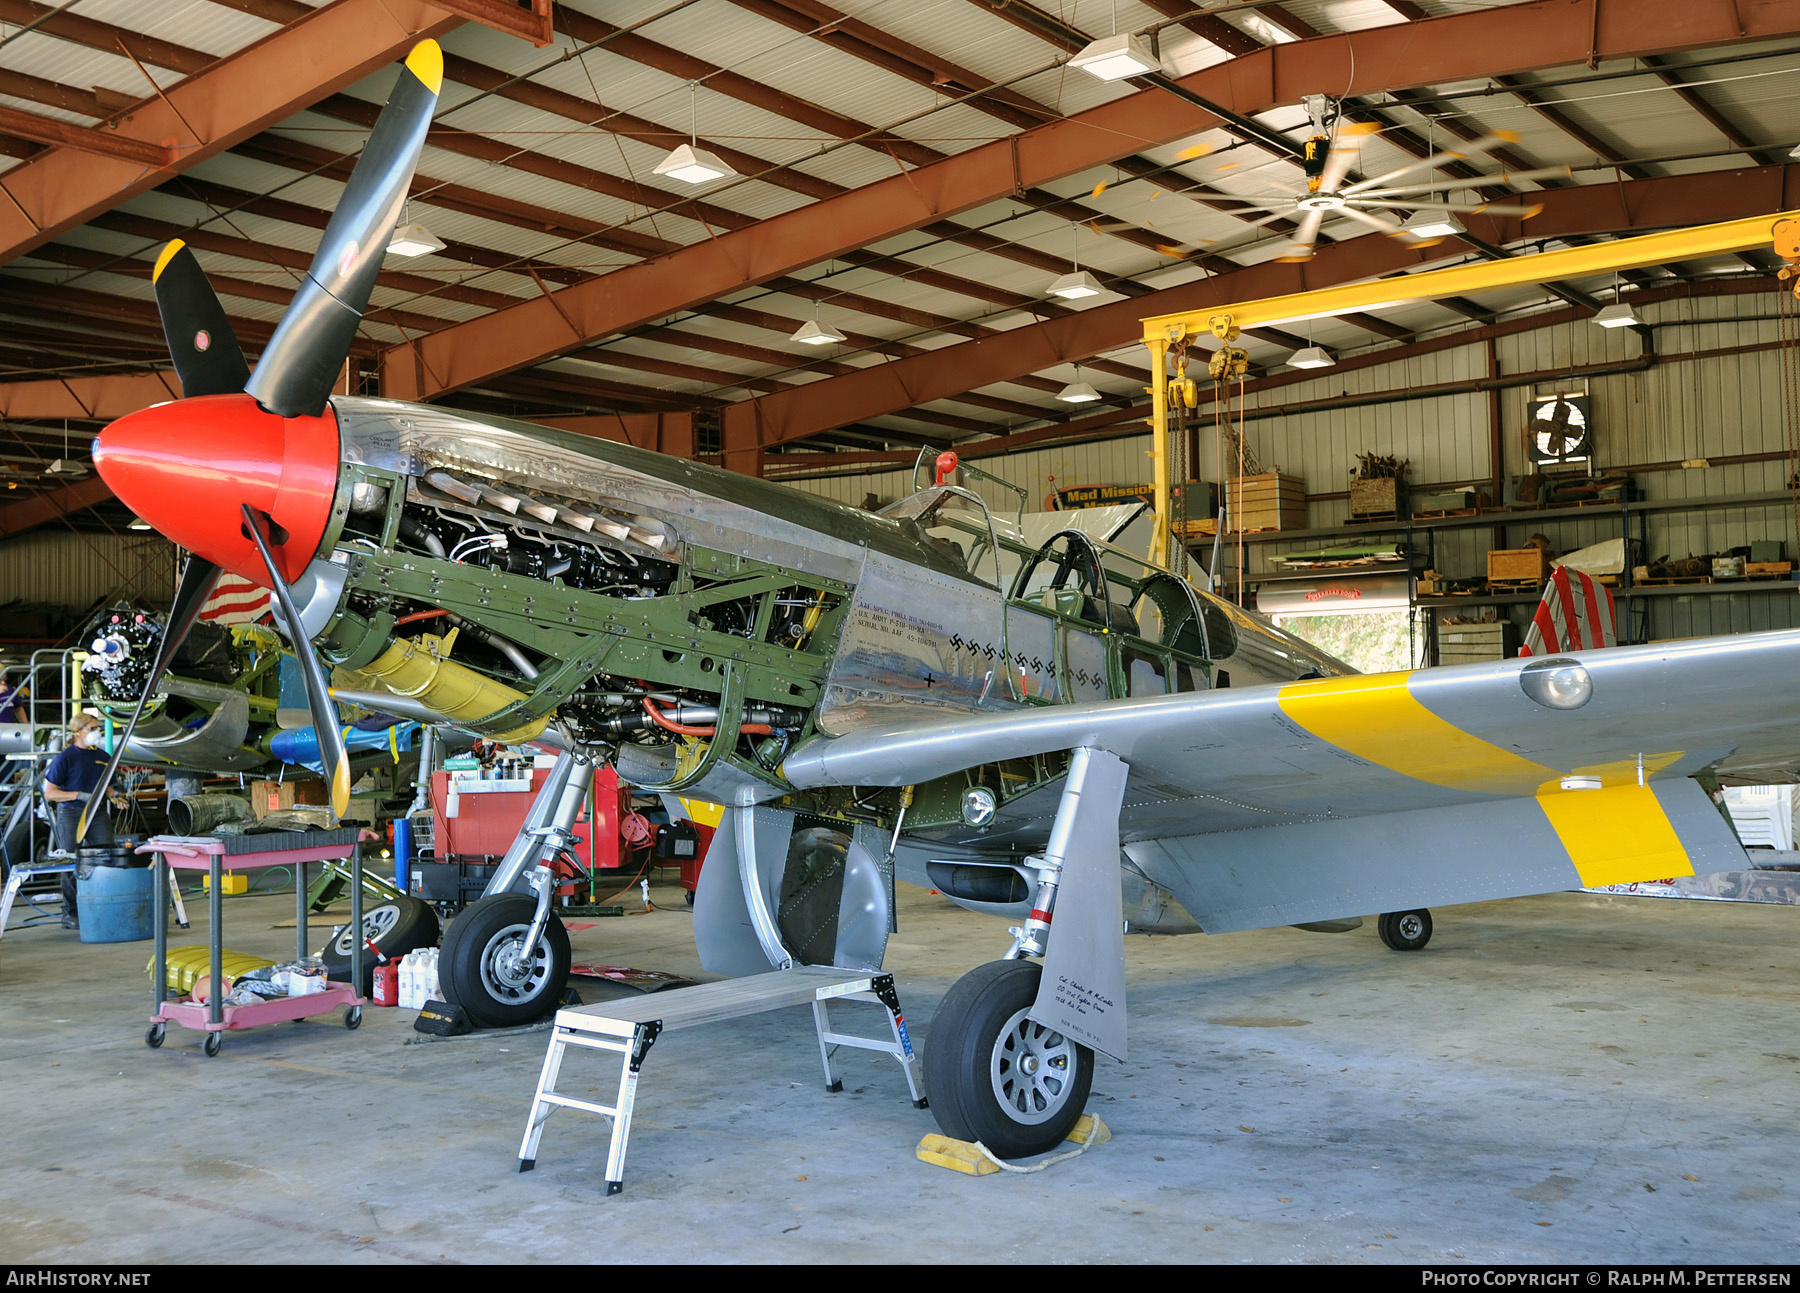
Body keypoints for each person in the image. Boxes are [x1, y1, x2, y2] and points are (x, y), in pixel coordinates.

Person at [42, 712, 122, 931]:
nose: (97, 733)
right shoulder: (66, 757)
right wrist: (76, 795)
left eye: (98, 728)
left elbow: (107, 785)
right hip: (71, 814)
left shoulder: (103, 756)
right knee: (71, 861)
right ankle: (70, 912)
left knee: (106, 856)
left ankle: (103, 905)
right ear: (78, 732)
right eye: (92, 728)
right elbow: (50, 793)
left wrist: (115, 797)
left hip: (96, 813)